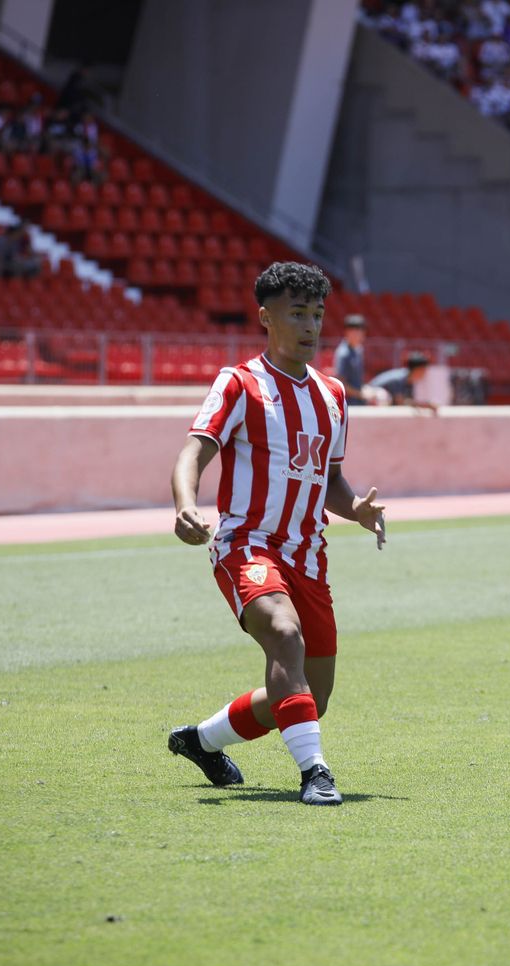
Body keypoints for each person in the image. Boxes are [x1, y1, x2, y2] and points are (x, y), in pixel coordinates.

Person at [166, 262, 387, 806]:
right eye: (297, 314)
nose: (311, 326)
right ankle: (316, 772)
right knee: (284, 635)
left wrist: (355, 508)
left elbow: (328, 476)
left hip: (309, 555)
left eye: (317, 315)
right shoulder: (239, 383)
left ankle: (200, 741)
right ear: (267, 318)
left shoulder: (333, 394)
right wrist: (186, 506)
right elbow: (195, 450)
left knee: (311, 694)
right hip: (247, 543)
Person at [368, 350, 439, 410]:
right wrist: (425, 405)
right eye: (424, 370)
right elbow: (400, 402)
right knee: (383, 397)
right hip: (368, 399)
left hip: (380, 403)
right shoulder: (398, 379)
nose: (425, 373)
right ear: (418, 370)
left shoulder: (409, 380)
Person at [331, 313, 367, 403]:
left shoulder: (359, 349)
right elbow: (341, 383)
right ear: (347, 332)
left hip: (358, 400)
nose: (357, 334)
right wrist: (361, 394)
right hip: (348, 403)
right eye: (353, 331)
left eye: (359, 331)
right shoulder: (343, 353)